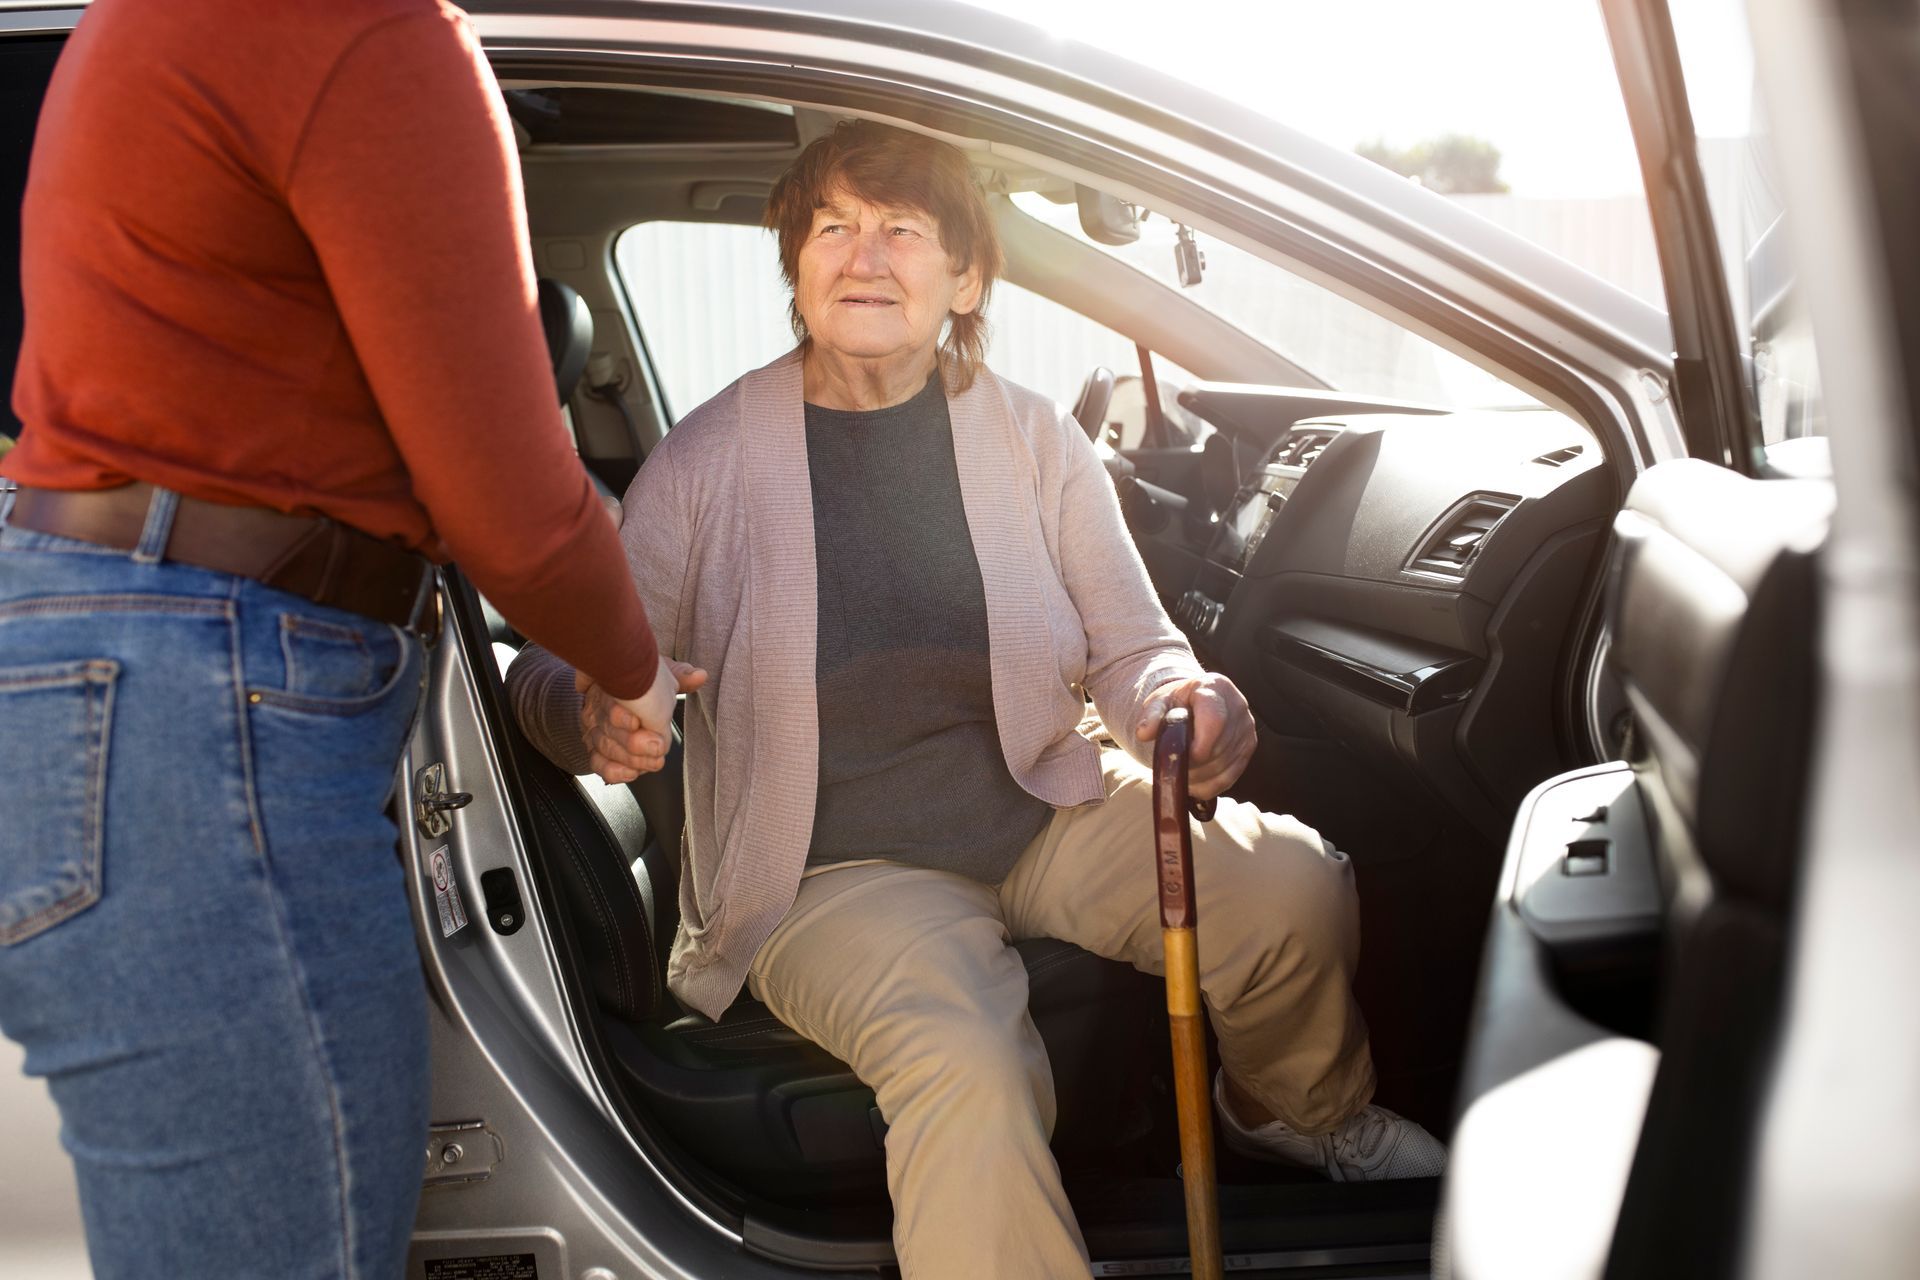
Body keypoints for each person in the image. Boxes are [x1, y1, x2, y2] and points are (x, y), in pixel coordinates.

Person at [507, 120, 1444, 1278]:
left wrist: (1181, 705)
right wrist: (585, 713)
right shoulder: (705, 461)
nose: (864, 257)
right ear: (795, 266)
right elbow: (553, 667)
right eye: (832, 228)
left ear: (966, 276)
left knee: (1288, 886)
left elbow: (1133, 644)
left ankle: (1296, 1112)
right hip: (830, 872)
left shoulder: (1034, 435)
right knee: (964, 1056)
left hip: (1039, 802)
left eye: (902, 229)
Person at [0, 2, 685, 1277]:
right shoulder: (367, 30)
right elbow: (517, 513)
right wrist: (635, 671)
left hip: (123, 671)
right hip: (205, 714)